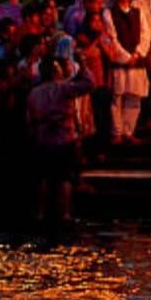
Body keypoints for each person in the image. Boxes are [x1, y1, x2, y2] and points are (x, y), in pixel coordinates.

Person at [27, 58, 94, 223]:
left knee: (44, 178)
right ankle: (66, 213)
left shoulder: (34, 93)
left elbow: (29, 119)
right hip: (64, 138)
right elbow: (88, 84)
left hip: (43, 139)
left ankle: (41, 212)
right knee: (65, 177)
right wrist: (83, 65)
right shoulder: (63, 88)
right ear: (55, 72)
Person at [103, 0, 151, 145]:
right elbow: (112, 37)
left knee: (134, 97)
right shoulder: (109, 13)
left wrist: (137, 54)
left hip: (136, 61)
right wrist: (125, 57)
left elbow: (146, 36)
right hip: (120, 61)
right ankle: (116, 132)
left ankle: (128, 131)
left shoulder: (139, 13)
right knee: (117, 97)